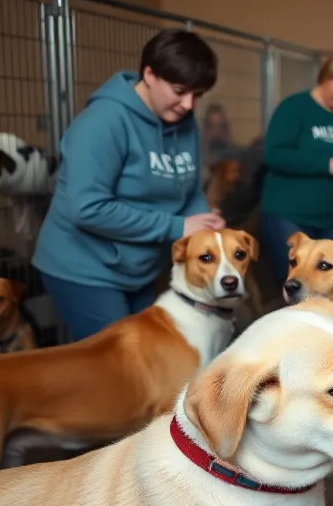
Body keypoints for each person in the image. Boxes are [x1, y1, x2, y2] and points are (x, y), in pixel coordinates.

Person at [32, 28, 225, 341]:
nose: (189, 104)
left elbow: (187, 189)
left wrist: (204, 223)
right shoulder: (103, 122)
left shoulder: (183, 122)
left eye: (197, 95)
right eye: (179, 91)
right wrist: (178, 227)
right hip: (83, 267)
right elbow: (88, 208)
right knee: (118, 357)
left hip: (138, 269)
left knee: (146, 355)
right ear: (149, 75)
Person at [259, 51, 333, 285]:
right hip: (290, 217)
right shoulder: (294, 108)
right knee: (297, 286)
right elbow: (275, 154)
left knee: (330, 286)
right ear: (326, 77)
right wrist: (327, 165)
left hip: (331, 220)